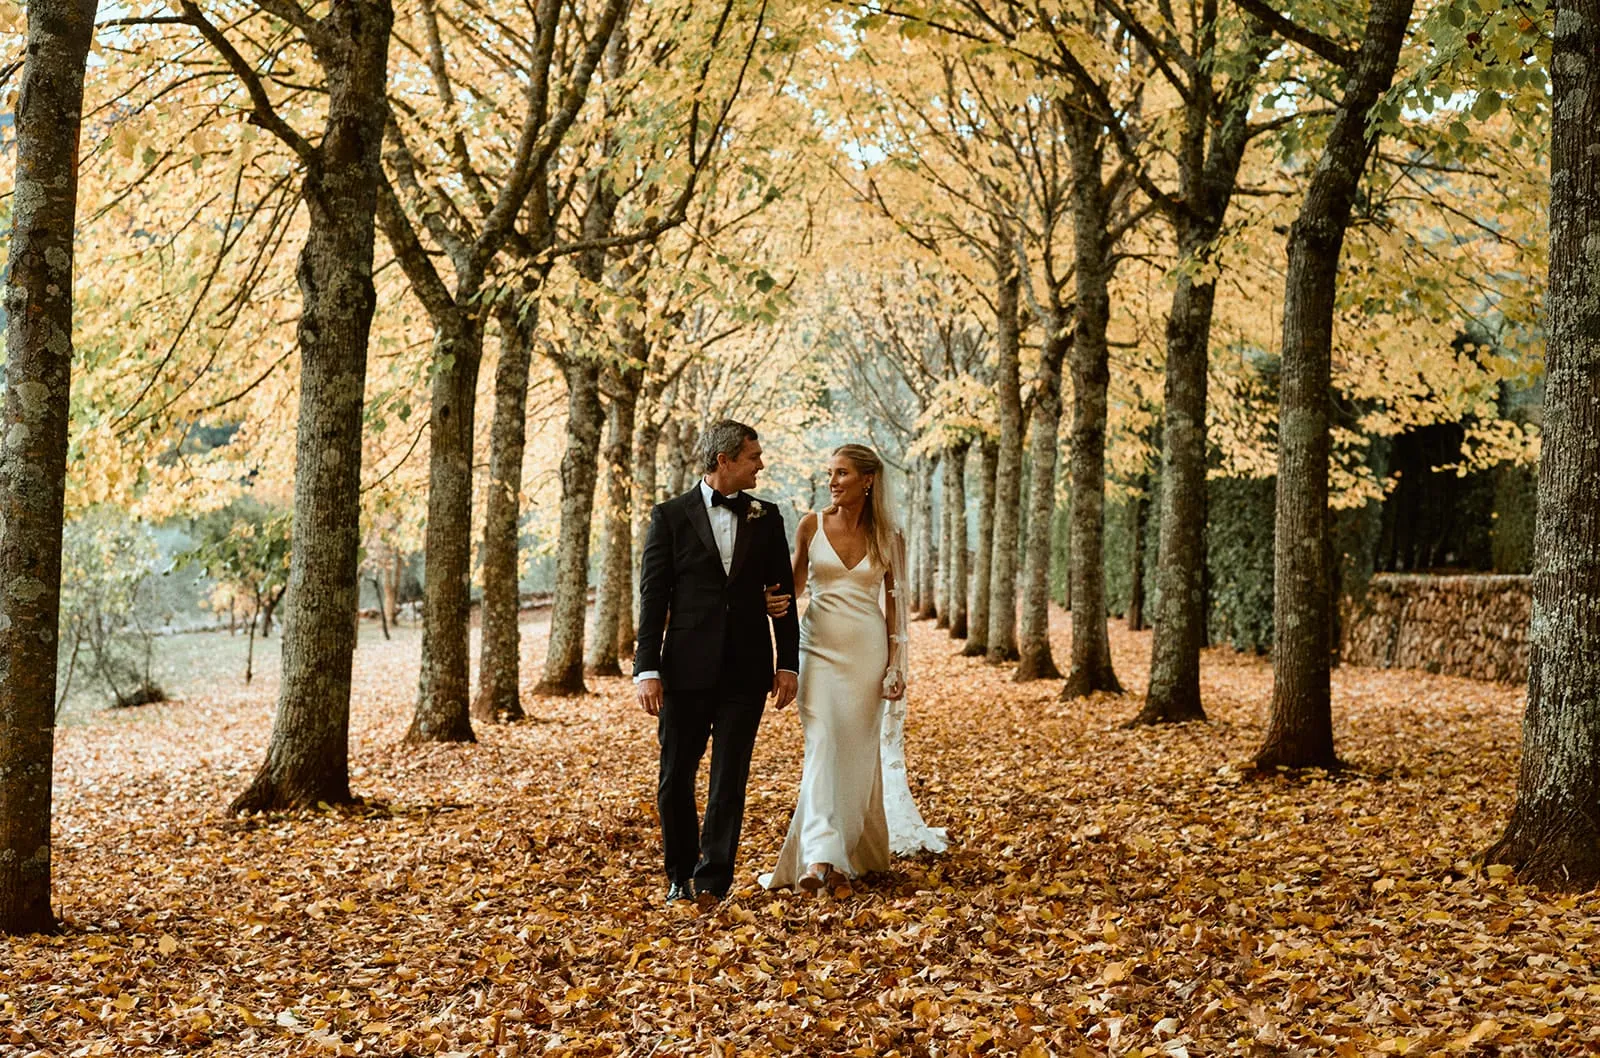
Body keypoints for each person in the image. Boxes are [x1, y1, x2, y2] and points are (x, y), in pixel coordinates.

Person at [762, 443, 946, 893]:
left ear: (867, 480)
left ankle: (847, 851)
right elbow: (794, 586)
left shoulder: (889, 537)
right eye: (830, 474)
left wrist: (895, 667)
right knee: (823, 745)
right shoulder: (811, 525)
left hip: (867, 658)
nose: (832, 482)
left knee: (856, 758)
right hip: (817, 651)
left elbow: (896, 610)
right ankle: (821, 856)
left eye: (842, 473)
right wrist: (764, 600)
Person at [633, 420, 800, 910]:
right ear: (724, 460)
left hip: (747, 670)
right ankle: (680, 873)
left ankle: (712, 882)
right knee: (674, 778)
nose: (760, 464)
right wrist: (647, 669)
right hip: (683, 671)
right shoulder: (669, 517)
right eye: (753, 456)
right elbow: (652, 597)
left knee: (730, 777)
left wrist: (787, 662)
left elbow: (782, 595)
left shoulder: (766, 516)